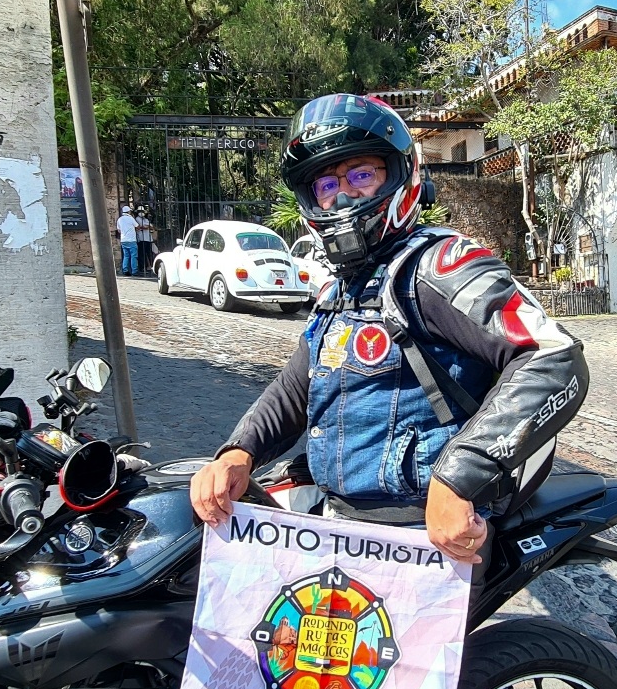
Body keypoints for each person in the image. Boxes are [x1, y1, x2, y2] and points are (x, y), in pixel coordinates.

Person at [190, 93, 589, 588]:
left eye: (361, 175)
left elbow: (552, 357)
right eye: (327, 183)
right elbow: (296, 387)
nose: (343, 195)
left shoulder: (437, 267)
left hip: (419, 534)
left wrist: (459, 477)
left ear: (400, 176)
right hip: (345, 527)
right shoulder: (339, 290)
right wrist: (237, 451)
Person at [116, 205, 138, 276]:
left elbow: (119, 230)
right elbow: (137, 226)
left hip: (123, 240)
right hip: (131, 239)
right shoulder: (130, 218)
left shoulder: (119, 219)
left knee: (126, 256)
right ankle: (134, 271)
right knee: (133, 256)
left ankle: (125, 269)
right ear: (128, 211)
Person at [136, 206, 156, 277]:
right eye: (140, 212)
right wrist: (146, 227)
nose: (141, 213)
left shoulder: (145, 219)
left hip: (148, 239)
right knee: (142, 254)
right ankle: (142, 268)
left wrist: (147, 227)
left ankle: (150, 267)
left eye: (142, 211)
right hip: (141, 239)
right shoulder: (137, 219)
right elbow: (142, 227)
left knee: (149, 253)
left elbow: (151, 227)